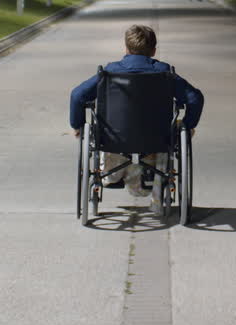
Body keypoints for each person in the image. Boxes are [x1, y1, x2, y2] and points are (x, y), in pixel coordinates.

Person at [69, 24, 205, 199]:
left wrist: (77, 125)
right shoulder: (164, 73)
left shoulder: (109, 72)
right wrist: (188, 125)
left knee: (99, 126)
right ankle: (148, 179)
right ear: (154, 51)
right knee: (179, 128)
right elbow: (195, 98)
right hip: (158, 140)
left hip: (113, 140)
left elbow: (77, 96)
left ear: (126, 48)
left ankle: (112, 174)